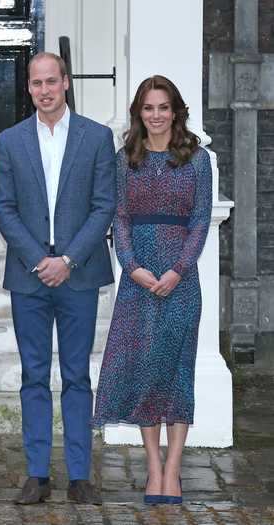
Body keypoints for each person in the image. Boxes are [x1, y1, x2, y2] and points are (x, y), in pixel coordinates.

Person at [0, 52, 116, 505]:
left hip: (78, 275)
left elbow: (104, 204)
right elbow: (3, 207)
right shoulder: (9, 140)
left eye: (51, 81)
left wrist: (67, 259)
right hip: (29, 276)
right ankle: (37, 473)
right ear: (28, 88)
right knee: (34, 375)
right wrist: (36, 259)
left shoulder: (97, 137)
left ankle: (80, 474)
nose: (44, 90)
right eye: (36, 83)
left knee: (77, 375)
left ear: (65, 82)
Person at [93, 76, 212, 506]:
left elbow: (201, 220)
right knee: (144, 370)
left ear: (176, 110)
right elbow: (119, 218)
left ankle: (175, 469)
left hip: (182, 280)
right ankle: (154, 467)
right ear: (138, 113)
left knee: (177, 372)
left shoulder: (197, 159)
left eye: (164, 107)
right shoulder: (125, 159)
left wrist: (179, 269)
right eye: (148, 108)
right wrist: (133, 267)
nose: (156, 115)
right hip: (138, 280)